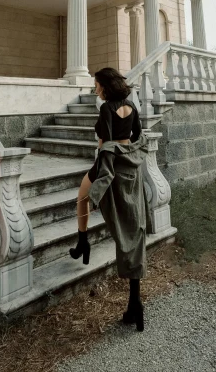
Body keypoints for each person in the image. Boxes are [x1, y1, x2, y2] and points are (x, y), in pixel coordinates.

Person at [69, 67, 148, 331]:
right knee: (132, 229)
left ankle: (83, 241)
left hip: (108, 164)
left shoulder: (106, 109)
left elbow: (104, 142)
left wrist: (106, 156)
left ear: (104, 86)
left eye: (96, 85)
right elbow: (137, 136)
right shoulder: (131, 106)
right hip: (129, 166)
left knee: (82, 197)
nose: (95, 89)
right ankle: (135, 302)